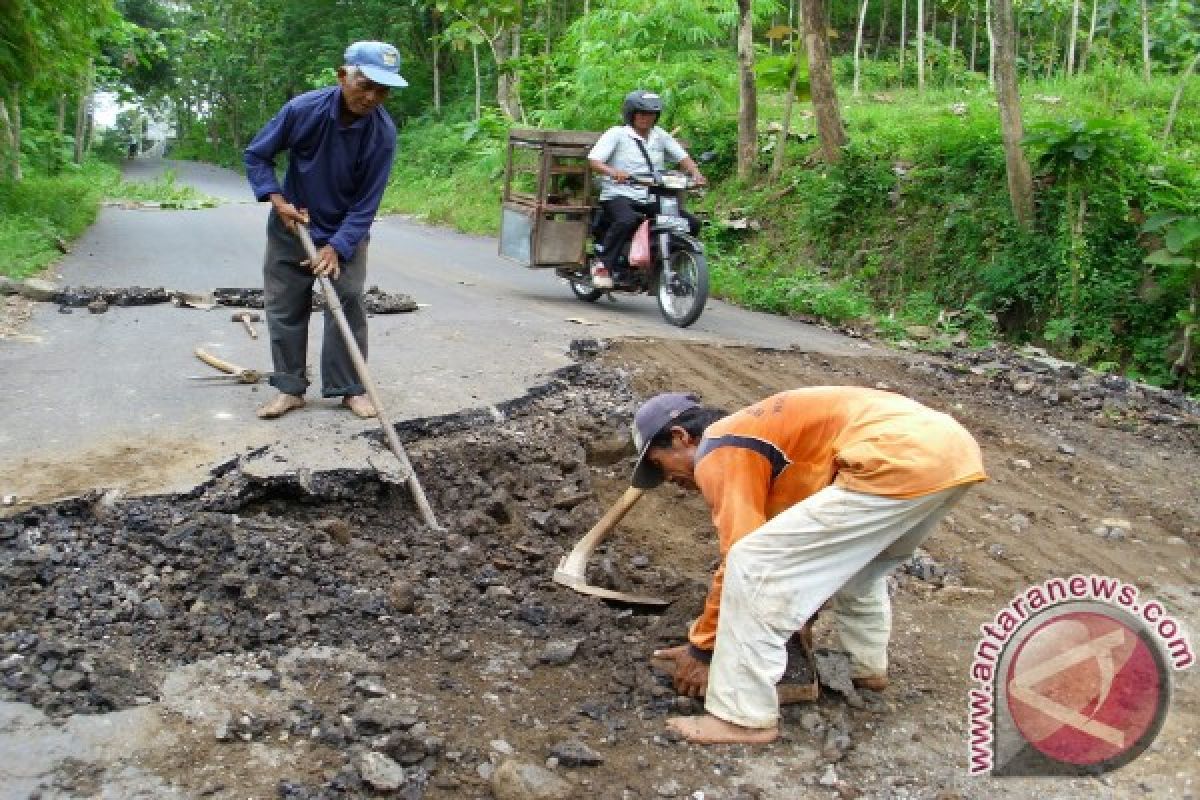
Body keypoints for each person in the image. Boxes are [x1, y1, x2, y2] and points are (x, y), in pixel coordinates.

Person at [631, 388, 986, 745]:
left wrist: (702, 648)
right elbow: (814, 552)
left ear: (680, 438)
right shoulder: (769, 435)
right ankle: (862, 665)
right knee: (863, 569)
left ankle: (742, 716)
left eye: (661, 466)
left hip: (896, 456)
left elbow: (744, 558)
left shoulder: (718, 448)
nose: (671, 483)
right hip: (950, 452)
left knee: (752, 563)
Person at [244, 41, 407, 420]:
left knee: (347, 300)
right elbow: (257, 155)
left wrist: (337, 246)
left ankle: (349, 388)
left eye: (382, 91)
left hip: (345, 228)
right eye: (364, 85)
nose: (371, 97)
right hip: (293, 223)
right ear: (342, 76)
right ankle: (289, 388)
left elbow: (368, 202)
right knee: (285, 304)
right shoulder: (303, 110)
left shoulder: (382, 133)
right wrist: (275, 198)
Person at [586, 90, 707, 289]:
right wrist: (614, 172)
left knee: (690, 223)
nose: (646, 118)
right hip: (619, 194)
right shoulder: (617, 134)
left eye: (650, 114)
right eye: (641, 114)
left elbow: (682, 157)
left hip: (652, 194)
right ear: (631, 114)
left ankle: (669, 263)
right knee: (626, 220)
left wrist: (695, 173)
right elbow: (594, 161)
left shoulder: (660, 136)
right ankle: (603, 265)